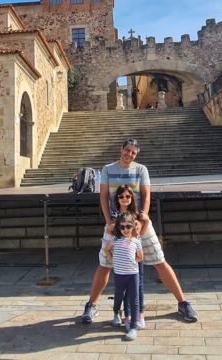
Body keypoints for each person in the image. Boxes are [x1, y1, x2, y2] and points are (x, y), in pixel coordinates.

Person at [80, 139, 198, 325]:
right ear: (121, 149)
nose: (129, 154)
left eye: (133, 153)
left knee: (159, 260)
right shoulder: (108, 169)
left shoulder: (141, 170)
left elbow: (146, 195)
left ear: (136, 155)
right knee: (104, 264)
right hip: (116, 223)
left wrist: (143, 219)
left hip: (138, 223)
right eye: (127, 150)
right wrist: (109, 221)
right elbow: (103, 197)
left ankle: (183, 302)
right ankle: (91, 305)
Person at [102, 212, 143, 341]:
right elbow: (106, 250)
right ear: (118, 228)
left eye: (128, 226)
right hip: (119, 275)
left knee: (134, 299)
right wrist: (112, 260)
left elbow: (141, 256)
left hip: (133, 275)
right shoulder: (115, 239)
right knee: (118, 295)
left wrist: (132, 261)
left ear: (133, 227)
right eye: (122, 227)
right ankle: (116, 313)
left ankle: (133, 326)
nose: (125, 230)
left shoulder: (136, 242)